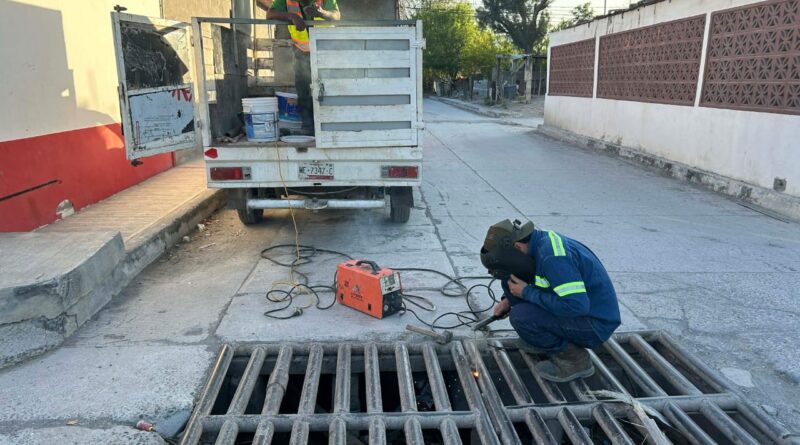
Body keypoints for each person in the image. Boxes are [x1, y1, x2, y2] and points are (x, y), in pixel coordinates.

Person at [483, 219, 621, 382]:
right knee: (509, 279)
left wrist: (527, 292)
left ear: (517, 247)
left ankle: (575, 360)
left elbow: (577, 306)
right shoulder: (536, 244)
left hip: (594, 323)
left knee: (521, 317)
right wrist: (507, 300)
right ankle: (540, 339)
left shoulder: (553, 258)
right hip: (580, 311)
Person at [258, 0, 341, 133]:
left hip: (325, 52)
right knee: (303, 90)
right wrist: (291, 16)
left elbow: (337, 16)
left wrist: (322, 13)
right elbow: (270, 14)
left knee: (328, 89)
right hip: (302, 52)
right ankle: (308, 127)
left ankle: (331, 125)